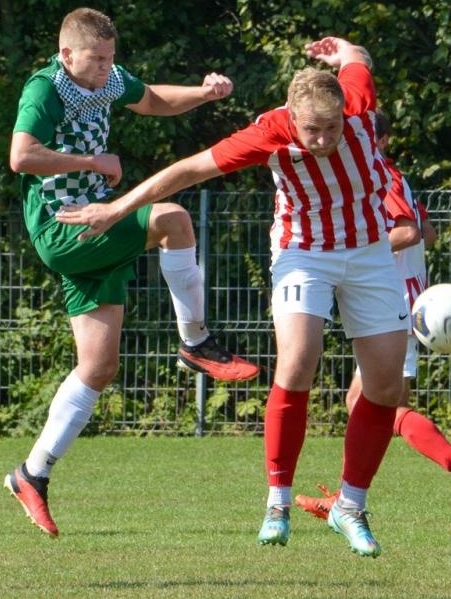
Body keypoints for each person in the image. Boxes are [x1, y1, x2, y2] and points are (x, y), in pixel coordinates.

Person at [57, 36, 406, 558]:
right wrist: (116, 208)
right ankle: (277, 503)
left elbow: (358, 60)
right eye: (312, 129)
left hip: (370, 249)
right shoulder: (269, 131)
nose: (323, 139)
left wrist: (345, 50)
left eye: (332, 128)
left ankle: (350, 506)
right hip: (303, 252)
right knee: (297, 361)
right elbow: (186, 171)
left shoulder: (354, 98)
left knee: (383, 384)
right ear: (293, 116)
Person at [4, 7, 257, 538]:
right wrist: (92, 164)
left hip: (95, 224)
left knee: (97, 368)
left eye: (110, 60)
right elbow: (21, 157)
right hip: (64, 228)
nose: (104, 70)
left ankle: (32, 473)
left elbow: (151, 99)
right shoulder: (45, 90)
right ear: (67, 53)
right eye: (96, 61)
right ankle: (196, 342)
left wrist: (203, 93)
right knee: (172, 217)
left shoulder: (108, 78)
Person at [294, 111, 451, 527]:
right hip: (401, 299)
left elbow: (408, 232)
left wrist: (357, 247)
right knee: (382, 408)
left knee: (366, 405)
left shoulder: (379, 174)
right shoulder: (389, 177)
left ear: (379, 140)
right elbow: (430, 230)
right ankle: (349, 498)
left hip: (390, 301)